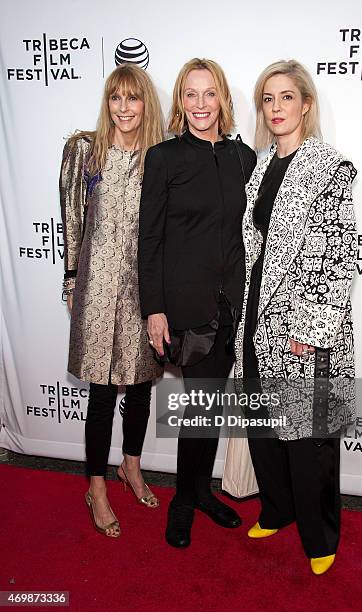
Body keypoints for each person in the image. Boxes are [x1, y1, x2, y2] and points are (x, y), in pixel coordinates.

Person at [234, 60, 357, 574]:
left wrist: (312, 329)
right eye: (268, 98)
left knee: (310, 436)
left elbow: (338, 254)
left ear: (306, 104)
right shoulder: (261, 164)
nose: (276, 108)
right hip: (259, 310)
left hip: (306, 323)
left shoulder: (329, 166)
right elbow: (256, 245)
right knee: (264, 425)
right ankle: (279, 508)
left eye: (287, 97)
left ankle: (320, 534)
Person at [138, 58, 257, 548]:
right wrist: (155, 308)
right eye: (191, 93)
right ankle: (185, 501)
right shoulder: (164, 157)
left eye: (210, 94)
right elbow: (150, 240)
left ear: (223, 100)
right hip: (186, 310)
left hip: (234, 307)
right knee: (199, 409)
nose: (201, 104)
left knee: (210, 409)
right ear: (180, 101)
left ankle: (201, 492)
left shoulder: (243, 158)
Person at [60, 63, 164, 538]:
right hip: (97, 287)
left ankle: (132, 466)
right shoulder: (84, 151)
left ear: (146, 103)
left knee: (141, 386)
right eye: (115, 99)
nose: (124, 109)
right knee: (102, 392)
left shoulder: (159, 159)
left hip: (143, 290)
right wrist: (70, 281)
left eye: (133, 98)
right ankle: (96, 487)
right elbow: (72, 223)